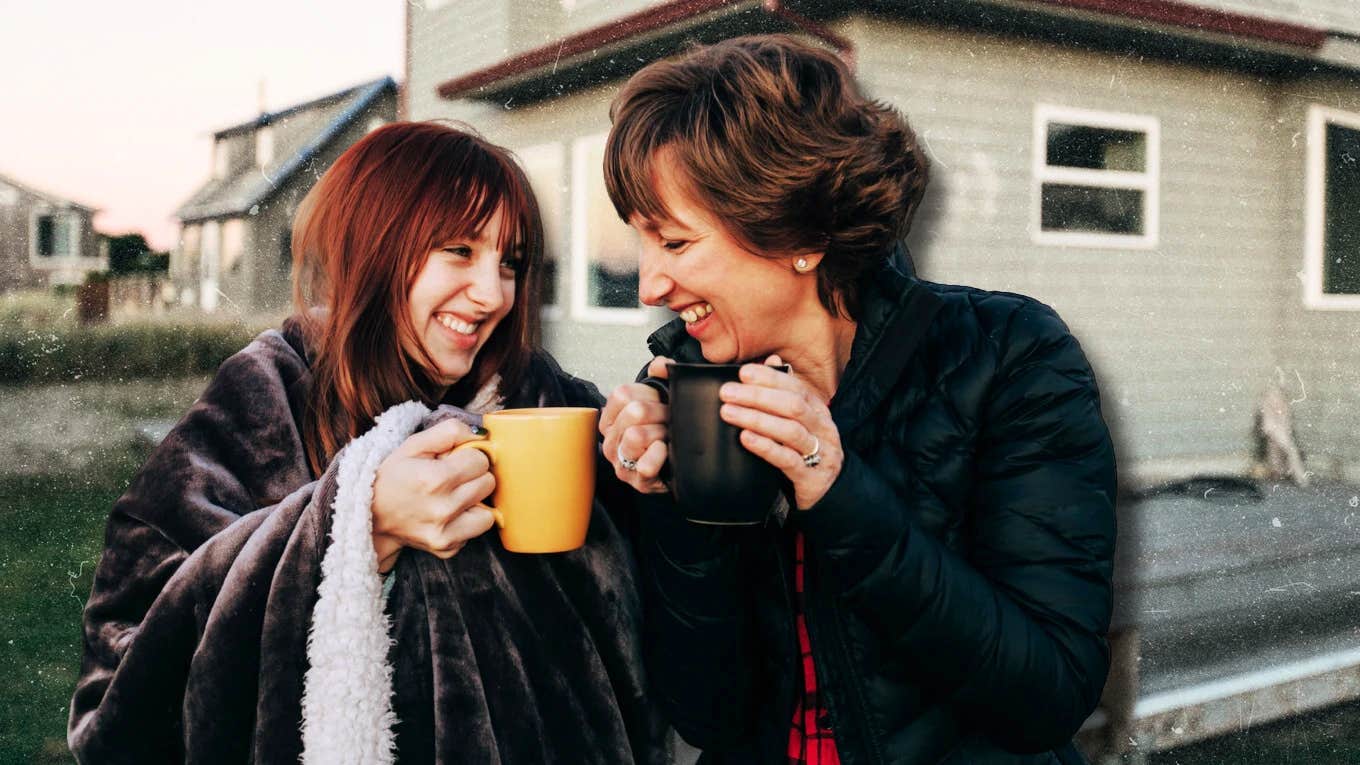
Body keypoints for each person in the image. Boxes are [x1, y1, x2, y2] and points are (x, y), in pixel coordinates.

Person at [69, 122, 666, 764]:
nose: (493, 294)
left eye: (511, 263)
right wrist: (356, 521)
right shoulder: (268, 399)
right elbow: (119, 696)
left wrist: (660, 467)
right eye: (459, 251)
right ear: (374, 249)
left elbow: (658, 629)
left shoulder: (546, 402)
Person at [599, 35, 1117, 764]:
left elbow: (1048, 696)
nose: (650, 286)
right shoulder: (693, 388)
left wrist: (837, 491)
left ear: (799, 233)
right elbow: (710, 715)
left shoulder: (1010, 356)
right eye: (643, 245)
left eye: (676, 244)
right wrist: (671, 500)